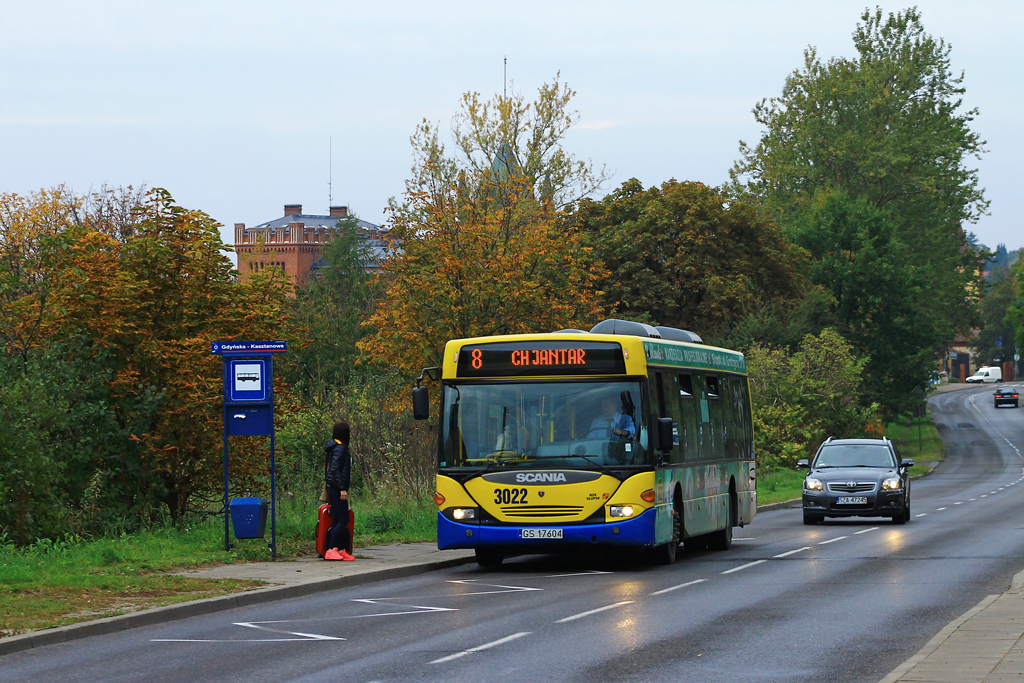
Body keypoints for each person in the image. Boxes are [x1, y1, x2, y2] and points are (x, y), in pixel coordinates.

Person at [323, 422, 354, 561]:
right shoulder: (340, 449)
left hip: (333, 486)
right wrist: (342, 488)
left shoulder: (333, 447)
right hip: (336, 488)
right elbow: (335, 470)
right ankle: (331, 549)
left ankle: (339, 549)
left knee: (336, 518)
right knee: (344, 518)